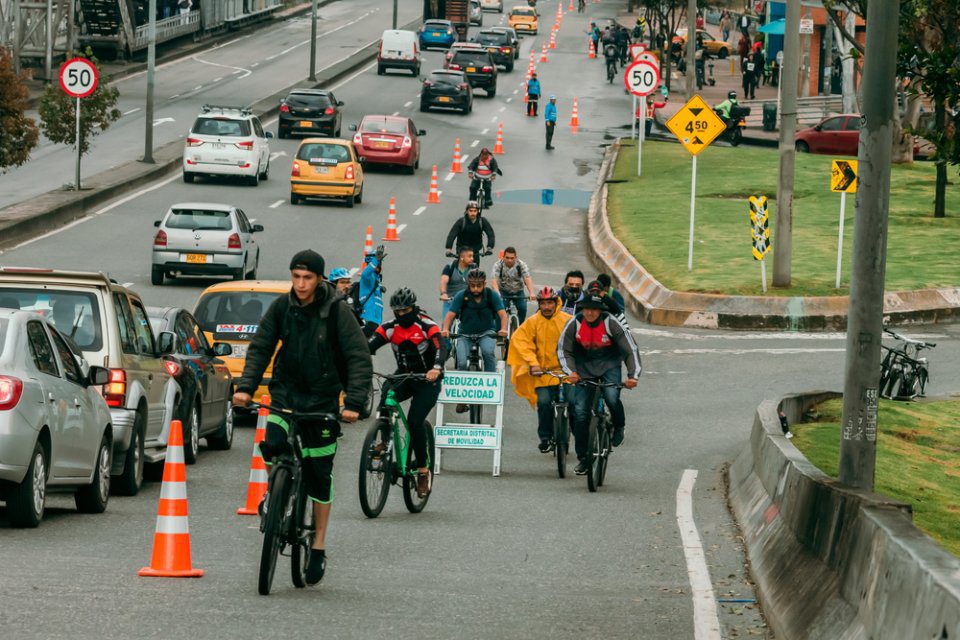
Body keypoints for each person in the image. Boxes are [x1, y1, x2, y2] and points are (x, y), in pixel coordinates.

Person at [233, 249, 373, 585]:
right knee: (274, 442)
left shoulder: (337, 312)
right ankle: (274, 491)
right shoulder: (283, 307)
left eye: (307, 278)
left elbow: (358, 357)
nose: (300, 284)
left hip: (323, 401)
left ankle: (319, 544)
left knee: (318, 476)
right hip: (286, 392)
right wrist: (246, 387)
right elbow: (261, 346)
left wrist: (353, 402)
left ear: (320, 279)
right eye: (295, 277)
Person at [368, 288, 444, 497]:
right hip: (404, 376)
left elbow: (441, 347)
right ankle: (384, 438)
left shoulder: (426, 325)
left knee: (414, 422)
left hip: (427, 380)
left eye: (406, 310)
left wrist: (436, 367)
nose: (402, 315)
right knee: (386, 396)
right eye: (397, 311)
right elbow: (370, 345)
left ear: (414, 307)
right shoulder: (390, 328)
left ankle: (422, 470)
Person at [558, 294, 641, 475]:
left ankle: (619, 426)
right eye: (586, 309)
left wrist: (633, 376)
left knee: (612, 397)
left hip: (609, 365)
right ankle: (583, 458)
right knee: (580, 413)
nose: (590, 313)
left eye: (594, 309)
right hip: (583, 368)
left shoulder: (611, 323)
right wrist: (570, 371)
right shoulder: (574, 323)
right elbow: (564, 349)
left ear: (601, 310)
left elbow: (629, 350)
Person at [506, 286, 574, 452]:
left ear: (556, 302)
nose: (546, 307)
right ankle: (545, 437)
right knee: (543, 403)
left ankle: (574, 432)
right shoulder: (532, 322)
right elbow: (521, 342)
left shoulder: (568, 320)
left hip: (567, 373)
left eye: (550, 303)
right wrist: (532, 363)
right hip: (543, 373)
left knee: (573, 402)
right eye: (543, 303)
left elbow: (578, 344)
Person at [442, 269, 507, 377]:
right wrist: (445, 329)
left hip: (486, 332)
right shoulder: (461, 296)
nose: (475, 289)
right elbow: (450, 315)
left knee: (487, 352)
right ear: (468, 284)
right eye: (472, 286)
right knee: (461, 363)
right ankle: (463, 388)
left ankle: (490, 380)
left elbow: (503, 315)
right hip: (464, 334)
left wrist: (503, 329)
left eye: (479, 285)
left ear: (484, 284)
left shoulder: (492, 295)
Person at [490, 247, 536, 325]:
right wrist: (497, 293)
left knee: (522, 308)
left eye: (512, 258)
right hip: (503, 291)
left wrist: (531, 293)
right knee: (500, 310)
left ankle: (520, 329)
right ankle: (498, 332)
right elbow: (494, 280)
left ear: (516, 257)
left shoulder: (521, 265)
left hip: (518, 291)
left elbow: (527, 278)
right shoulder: (498, 265)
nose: (509, 260)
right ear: (503, 257)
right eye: (507, 258)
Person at [440, 245, 475, 320]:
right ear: (462, 257)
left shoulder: (473, 268)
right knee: (445, 325)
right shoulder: (450, 267)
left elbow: (479, 282)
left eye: (472, 256)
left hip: (467, 300)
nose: (472, 259)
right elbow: (443, 281)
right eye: (469, 256)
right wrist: (443, 293)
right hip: (451, 300)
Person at [358, 246, 385, 337]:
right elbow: (365, 274)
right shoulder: (369, 277)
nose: (380, 265)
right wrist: (376, 260)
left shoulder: (376, 278)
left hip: (375, 322)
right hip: (368, 320)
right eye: (379, 262)